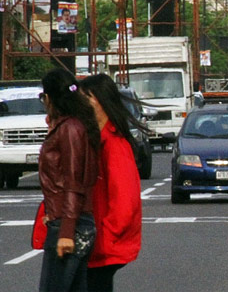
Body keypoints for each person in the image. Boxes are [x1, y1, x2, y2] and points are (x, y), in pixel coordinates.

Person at [79, 74, 144, 292]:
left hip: (104, 246)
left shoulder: (114, 143)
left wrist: (102, 239)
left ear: (98, 99)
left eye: (84, 98)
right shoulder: (99, 138)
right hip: (99, 244)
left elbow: (125, 200)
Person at [38, 68, 100, 292]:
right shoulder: (74, 125)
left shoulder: (70, 129)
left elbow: (74, 183)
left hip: (70, 224)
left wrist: (65, 231)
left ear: (49, 97)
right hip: (70, 220)